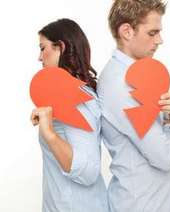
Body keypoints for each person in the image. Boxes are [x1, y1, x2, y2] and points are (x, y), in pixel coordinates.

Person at [97, 1, 170, 212]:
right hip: (141, 205)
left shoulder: (144, 73)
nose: (160, 40)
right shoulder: (119, 85)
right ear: (127, 31)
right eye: (152, 33)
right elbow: (164, 158)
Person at [30, 18, 108, 212]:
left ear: (60, 47)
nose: (40, 57)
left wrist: (50, 134)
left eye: (43, 48)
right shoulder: (63, 94)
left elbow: (88, 171)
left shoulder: (80, 98)